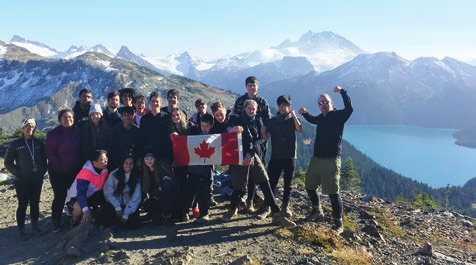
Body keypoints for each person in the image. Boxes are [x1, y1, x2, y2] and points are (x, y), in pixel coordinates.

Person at [222, 100, 295, 227]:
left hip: (253, 155)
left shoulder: (257, 121)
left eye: (253, 109)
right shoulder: (236, 119)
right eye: (249, 108)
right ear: (245, 108)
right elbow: (224, 130)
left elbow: (261, 139)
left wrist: (252, 151)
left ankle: (277, 214)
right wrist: (231, 130)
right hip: (238, 156)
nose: (251, 111)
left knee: (265, 182)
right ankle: (232, 209)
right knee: (238, 186)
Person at [298, 86, 353, 235]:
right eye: (320, 102)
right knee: (309, 186)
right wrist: (304, 113)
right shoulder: (321, 118)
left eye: (325, 101)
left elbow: (349, 108)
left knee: (333, 193)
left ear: (331, 103)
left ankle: (338, 223)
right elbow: (312, 119)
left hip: (331, 159)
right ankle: (317, 211)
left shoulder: (339, 116)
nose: (323, 104)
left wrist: (342, 92)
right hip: (317, 158)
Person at [232, 76, 271, 212]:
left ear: (257, 86)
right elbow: (234, 118)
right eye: (249, 85)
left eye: (254, 85)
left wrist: (263, 137)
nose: (252, 87)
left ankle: (251, 199)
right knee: (241, 171)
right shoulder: (240, 101)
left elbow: (267, 120)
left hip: (258, 142)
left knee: (256, 171)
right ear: (246, 86)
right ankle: (239, 199)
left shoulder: (262, 102)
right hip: (241, 143)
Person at [5, 118, 48, 240]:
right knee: (22, 204)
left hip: (37, 179)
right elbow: (8, 163)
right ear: (22, 129)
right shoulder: (15, 144)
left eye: (33, 126)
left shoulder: (39, 143)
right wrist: (18, 173)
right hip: (22, 181)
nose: (31, 128)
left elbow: (44, 160)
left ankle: (35, 227)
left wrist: (42, 172)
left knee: (35, 203)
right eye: (28, 126)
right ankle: (21, 230)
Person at [262, 95, 302, 218]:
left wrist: (294, 115)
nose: (282, 107)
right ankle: (268, 206)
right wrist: (263, 130)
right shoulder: (273, 121)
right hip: (276, 156)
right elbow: (266, 137)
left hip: (290, 156)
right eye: (280, 105)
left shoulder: (292, 119)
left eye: (285, 105)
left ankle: (285, 206)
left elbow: (299, 129)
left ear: (289, 106)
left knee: (288, 183)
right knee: (271, 182)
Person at [45, 108, 82, 232]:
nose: (68, 120)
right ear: (60, 120)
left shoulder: (78, 131)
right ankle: (56, 221)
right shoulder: (53, 134)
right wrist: (60, 166)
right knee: (60, 196)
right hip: (57, 171)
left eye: (70, 117)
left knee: (75, 196)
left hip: (74, 170)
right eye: (65, 118)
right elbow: (49, 153)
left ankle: (74, 217)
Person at [169, 108, 199, 220]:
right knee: (181, 186)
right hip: (179, 161)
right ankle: (184, 209)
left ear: (182, 115)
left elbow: (199, 139)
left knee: (193, 184)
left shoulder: (191, 127)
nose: (175, 117)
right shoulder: (170, 129)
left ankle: (194, 206)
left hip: (192, 160)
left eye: (178, 115)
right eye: (173, 115)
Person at [66, 150, 109, 228]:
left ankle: (96, 215)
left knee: (107, 201)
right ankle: (74, 220)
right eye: (102, 160)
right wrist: (85, 210)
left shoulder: (104, 169)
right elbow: (80, 194)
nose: (105, 161)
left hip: (91, 194)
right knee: (80, 210)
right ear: (95, 162)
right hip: (76, 196)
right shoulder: (85, 173)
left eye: (106, 159)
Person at [140, 147, 179, 226]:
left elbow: (168, 184)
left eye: (151, 158)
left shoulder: (162, 168)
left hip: (168, 197)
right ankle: (157, 213)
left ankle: (167, 215)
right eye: (147, 158)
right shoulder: (144, 171)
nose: (149, 161)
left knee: (166, 193)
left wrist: (159, 191)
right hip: (155, 197)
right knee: (147, 205)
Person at [102, 154, 142, 229]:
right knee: (107, 215)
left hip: (128, 205)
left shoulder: (136, 178)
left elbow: (136, 198)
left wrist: (126, 214)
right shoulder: (114, 175)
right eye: (126, 163)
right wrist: (118, 208)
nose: (128, 166)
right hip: (115, 204)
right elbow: (108, 193)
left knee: (134, 224)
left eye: (131, 163)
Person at [137, 91, 171, 164]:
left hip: (163, 156)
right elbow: (141, 138)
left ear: (161, 103)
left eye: (157, 101)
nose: (155, 103)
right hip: (148, 155)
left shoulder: (167, 118)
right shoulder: (144, 119)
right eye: (153, 101)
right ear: (149, 103)